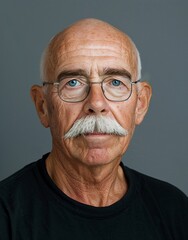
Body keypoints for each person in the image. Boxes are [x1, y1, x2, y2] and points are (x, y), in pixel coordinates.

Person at [0, 18, 187, 240]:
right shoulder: (6, 215)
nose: (96, 103)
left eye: (116, 82)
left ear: (140, 104)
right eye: (73, 83)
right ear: (43, 106)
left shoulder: (175, 210)